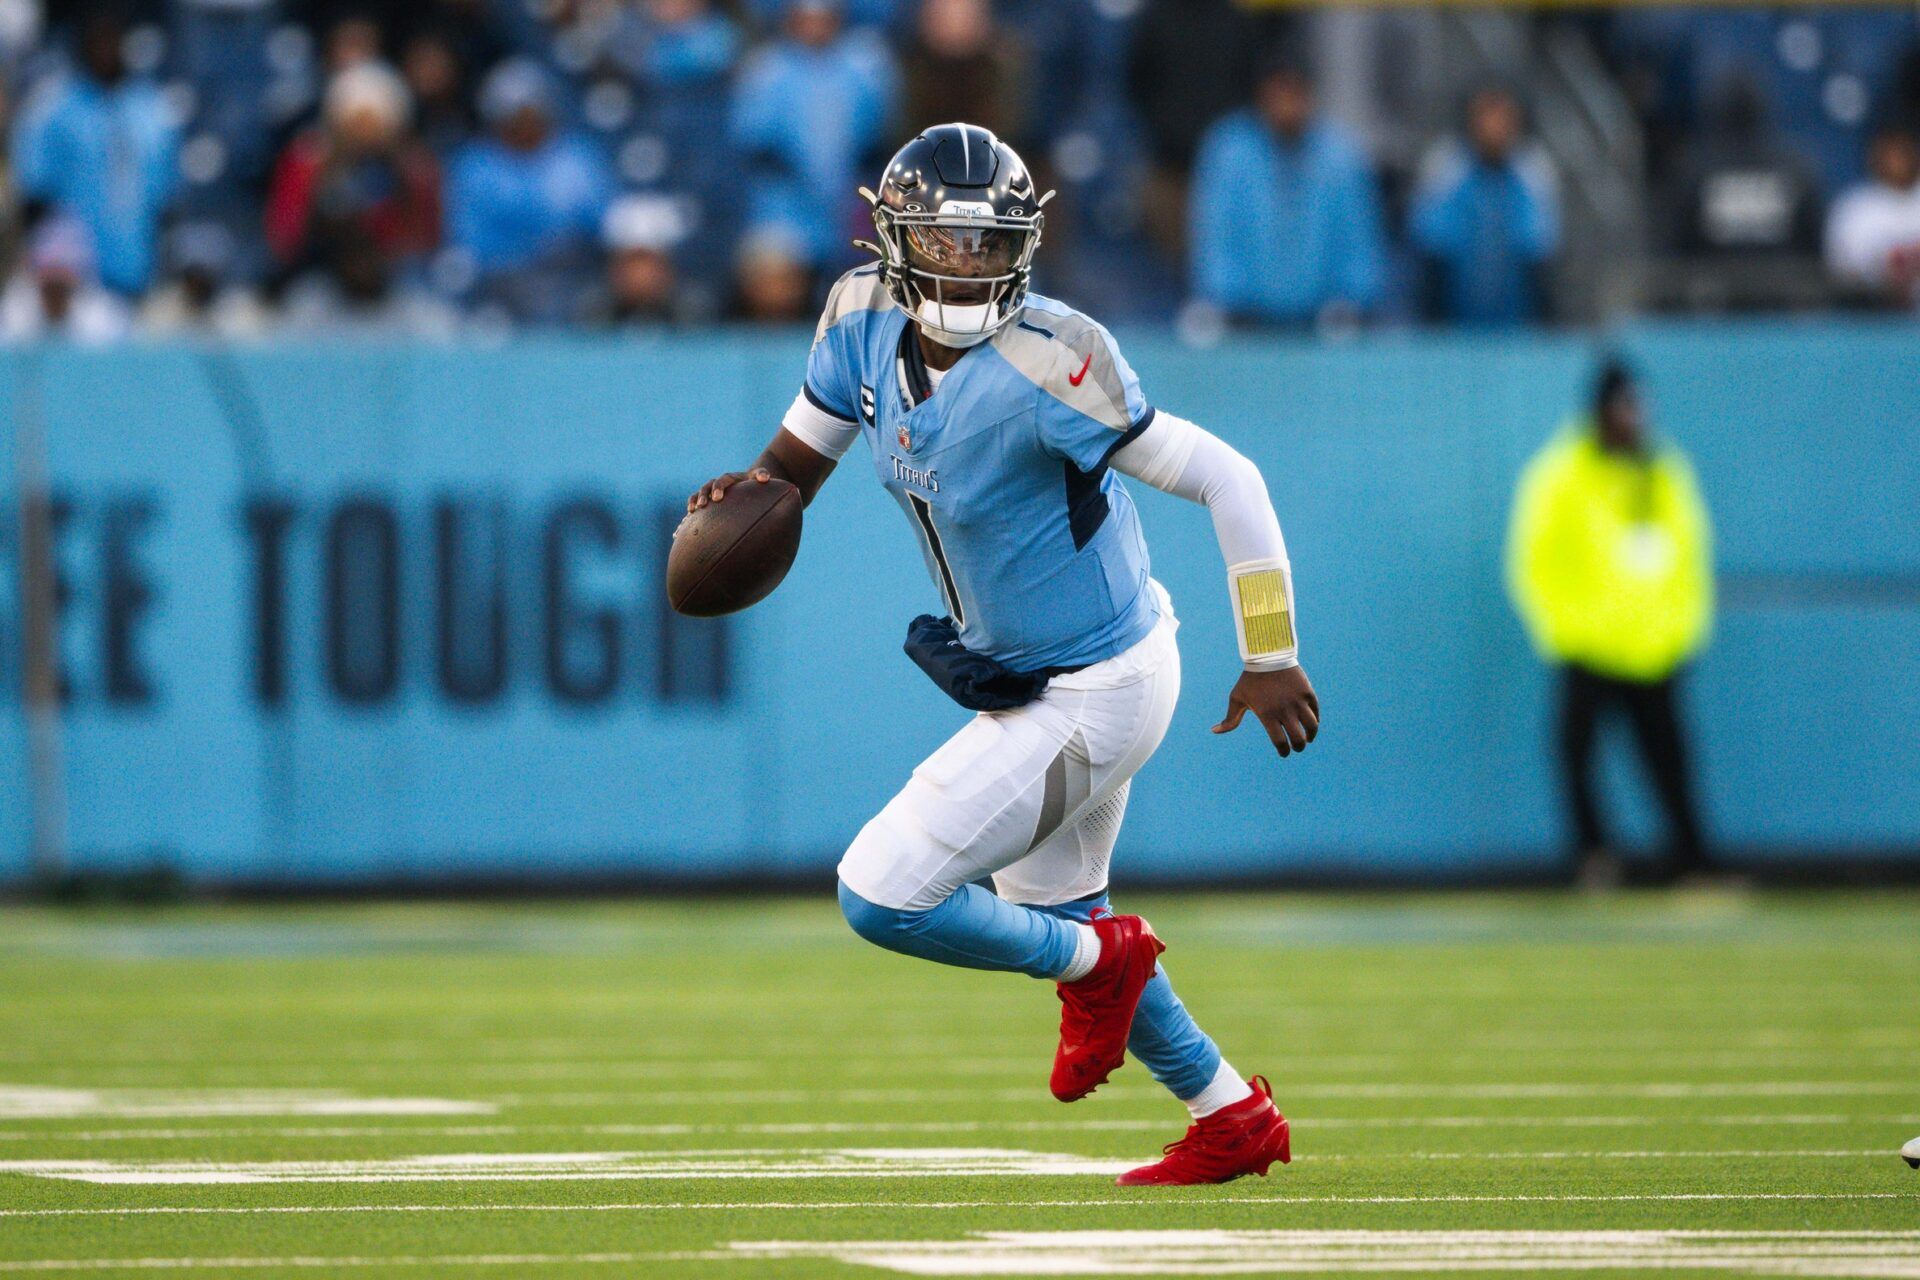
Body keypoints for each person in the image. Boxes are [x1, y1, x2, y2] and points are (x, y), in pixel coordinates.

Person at [685, 124, 1317, 1185]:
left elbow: (1232, 477)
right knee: (1061, 906)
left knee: (881, 888)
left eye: (989, 244)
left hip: (1101, 679)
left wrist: (1271, 651)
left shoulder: (1054, 357)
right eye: (944, 238)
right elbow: (789, 471)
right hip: (1037, 676)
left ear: (1024, 245)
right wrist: (738, 496)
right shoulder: (857, 320)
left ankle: (1099, 965)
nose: (965, 264)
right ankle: (1230, 1111)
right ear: (892, 235)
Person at [1506, 360, 1715, 888]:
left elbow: (1691, 553)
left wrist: (1683, 629)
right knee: (1577, 758)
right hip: (1588, 643)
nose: (1634, 419)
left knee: (1670, 759)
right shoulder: (1561, 473)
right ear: (1600, 411)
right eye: (1624, 407)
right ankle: (1595, 857)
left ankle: (1690, 859)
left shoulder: (1663, 470)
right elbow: (1533, 558)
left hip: (1653, 645)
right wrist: (1561, 629)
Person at [1187, 56, 1387, 329]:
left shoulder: (1341, 156)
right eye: (1278, 94)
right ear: (1261, 98)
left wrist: (1350, 299)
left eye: (1295, 93)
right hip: (1243, 320)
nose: (1287, 105)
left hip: (1327, 322)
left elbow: (1358, 243)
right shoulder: (1229, 151)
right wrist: (1227, 299)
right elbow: (1216, 237)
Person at [9, 5, 180, 297]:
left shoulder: (151, 108)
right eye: (97, 41)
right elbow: (34, 196)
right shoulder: (55, 108)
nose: (105, 50)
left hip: (136, 271)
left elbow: (165, 198)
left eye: (111, 40)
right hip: (73, 280)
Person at [730, 0, 897, 272]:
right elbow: (752, 144)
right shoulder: (767, 68)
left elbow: (881, 137)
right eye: (807, 18)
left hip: (852, 201)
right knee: (775, 267)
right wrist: (800, 179)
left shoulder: (866, 64)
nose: (815, 27)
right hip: (784, 207)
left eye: (823, 18)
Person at [448, 59, 613, 325]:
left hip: (573, 279)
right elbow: (470, 241)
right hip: (498, 286)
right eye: (514, 116)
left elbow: (603, 225)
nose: (524, 123)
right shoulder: (475, 166)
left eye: (530, 113)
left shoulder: (579, 158)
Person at [264, 62, 442, 280]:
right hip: (318, 276)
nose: (365, 134)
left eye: (374, 124)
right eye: (357, 123)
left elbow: (426, 241)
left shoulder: (415, 170)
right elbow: (285, 236)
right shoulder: (307, 162)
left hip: (396, 281)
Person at [1410, 85, 1560, 326]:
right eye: (1486, 116)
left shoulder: (1532, 171)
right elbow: (1430, 248)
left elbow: (1539, 252)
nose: (1494, 126)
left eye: (1503, 117)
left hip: (1517, 326)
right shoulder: (1447, 168)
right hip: (1454, 322)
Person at [1824, 120, 1920, 308]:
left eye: (1901, 152)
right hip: (1874, 317)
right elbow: (1842, 273)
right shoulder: (1854, 207)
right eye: (1888, 153)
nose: (1895, 160)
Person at [0, 216, 131, 343]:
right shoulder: (13, 311)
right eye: (49, 285)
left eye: (61, 286)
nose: (55, 295)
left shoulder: (103, 318)